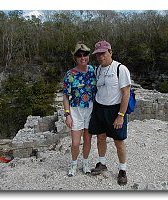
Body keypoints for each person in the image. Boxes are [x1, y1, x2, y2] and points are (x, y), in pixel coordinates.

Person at [89, 40, 131, 185]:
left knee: (118, 141)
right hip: (100, 108)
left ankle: (122, 170)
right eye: (98, 54)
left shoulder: (120, 69)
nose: (101, 57)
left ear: (110, 52)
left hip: (115, 109)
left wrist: (121, 115)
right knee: (100, 137)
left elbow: (126, 93)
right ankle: (102, 163)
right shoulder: (97, 70)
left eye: (103, 53)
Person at [63, 42, 96, 177]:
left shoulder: (94, 70)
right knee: (76, 143)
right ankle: (74, 163)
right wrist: (67, 114)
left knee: (88, 140)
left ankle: (86, 162)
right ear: (75, 58)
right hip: (76, 109)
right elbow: (65, 95)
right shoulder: (70, 74)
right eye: (79, 55)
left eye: (85, 54)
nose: (83, 57)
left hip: (90, 109)